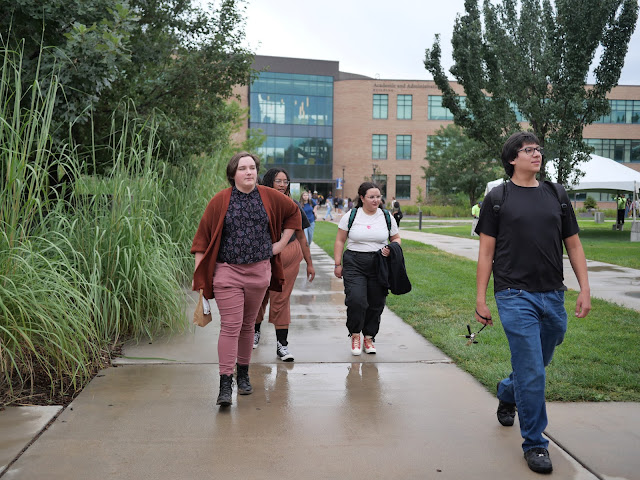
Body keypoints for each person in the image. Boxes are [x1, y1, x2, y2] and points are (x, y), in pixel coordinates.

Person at [474, 132, 591, 474]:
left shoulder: (556, 193)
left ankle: (507, 390)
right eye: (528, 150)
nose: (537, 154)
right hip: (514, 294)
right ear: (512, 158)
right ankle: (536, 443)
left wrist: (584, 288)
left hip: (553, 293)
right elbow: (486, 252)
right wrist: (480, 298)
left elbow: (574, 245)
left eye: (538, 149)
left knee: (537, 364)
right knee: (532, 371)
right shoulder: (498, 197)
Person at [191, 152, 302, 407]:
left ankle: (243, 374)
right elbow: (202, 240)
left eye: (252, 168)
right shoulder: (220, 200)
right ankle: (225, 382)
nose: (249, 172)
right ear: (233, 174)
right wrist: (200, 280)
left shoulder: (269, 196)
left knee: (247, 326)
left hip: (259, 272)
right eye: (243, 168)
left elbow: (294, 214)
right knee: (230, 326)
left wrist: (280, 244)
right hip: (227, 272)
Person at [253, 168, 315, 361]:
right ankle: (254, 332)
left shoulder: (293, 205)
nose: (282, 185)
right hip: (263, 256)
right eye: (278, 181)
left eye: (285, 181)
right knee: (258, 296)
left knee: (281, 299)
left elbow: (302, 238)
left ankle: (282, 346)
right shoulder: (256, 203)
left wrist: (309, 263)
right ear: (269, 182)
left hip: (288, 255)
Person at [333, 182, 400, 356]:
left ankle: (369, 337)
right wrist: (337, 264)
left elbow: (396, 239)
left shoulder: (386, 216)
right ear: (362, 198)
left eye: (378, 196)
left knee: (376, 302)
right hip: (354, 262)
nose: (376, 200)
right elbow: (340, 240)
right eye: (371, 197)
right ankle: (355, 334)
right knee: (357, 300)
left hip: (379, 264)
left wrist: (391, 249)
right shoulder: (352, 215)